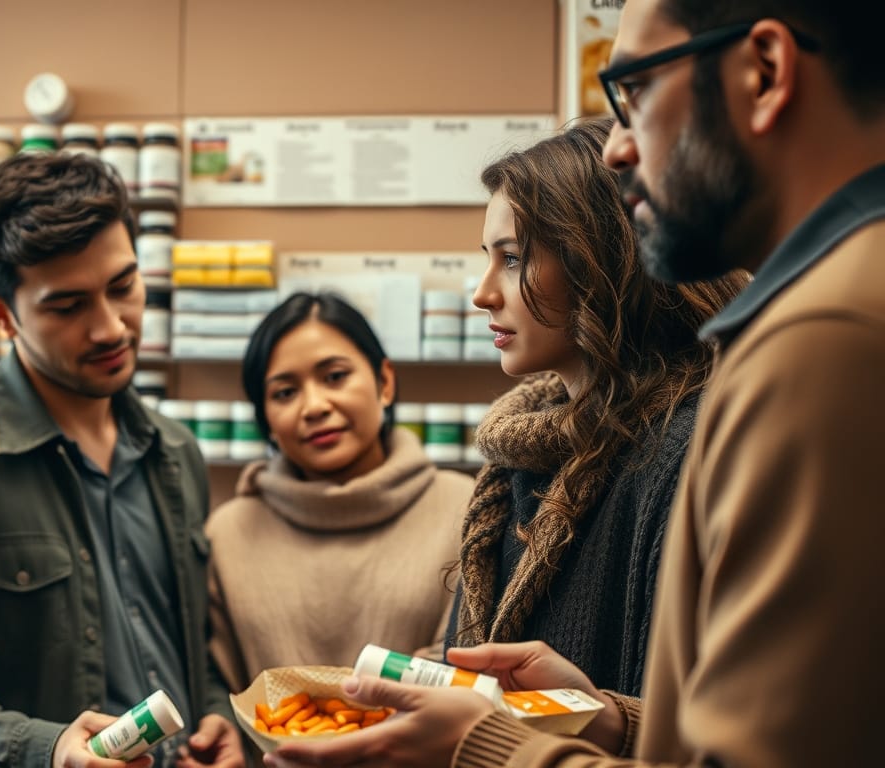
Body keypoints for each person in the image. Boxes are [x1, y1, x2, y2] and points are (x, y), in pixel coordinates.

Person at [265, 1, 885, 766]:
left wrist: (484, 746)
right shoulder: (519, 460)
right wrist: (605, 719)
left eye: (637, 90)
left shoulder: (808, 352)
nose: (622, 147)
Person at [0, 152, 242, 768]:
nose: (111, 327)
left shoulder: (175, 453)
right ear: (1, 313)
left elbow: (184, 645)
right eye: (67, 307)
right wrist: (47, 750)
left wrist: (218, 717)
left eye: (124, 286)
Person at [444, 116, 745, 698]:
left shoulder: (688, 450)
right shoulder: (517, 459)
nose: (482, 293)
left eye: (510, 258)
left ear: (597, 260)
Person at [205, 292, 473, 692]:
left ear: (384, 382)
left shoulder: (463, 508)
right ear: (266, 421)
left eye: (334, 377)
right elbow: (217, 692)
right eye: (284, 393)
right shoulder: (229, 532)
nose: (314, 406)